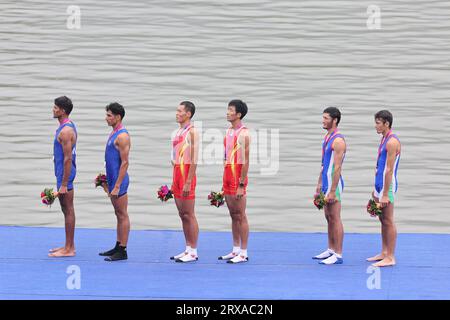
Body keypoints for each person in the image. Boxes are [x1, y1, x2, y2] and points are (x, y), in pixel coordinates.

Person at [218, 100, 251, 264]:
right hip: (228, 175)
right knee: (233, 215)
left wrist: (241, 184)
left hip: (238, 178)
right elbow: (226, 157)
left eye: (230, 110)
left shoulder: (244, 134)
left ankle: (244, 252)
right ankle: (235, 249)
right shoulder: (229, 131)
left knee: (241, 215)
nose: (227, 112)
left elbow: (245, 162)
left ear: (238, 114)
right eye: (228, 109)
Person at [367, 110, 401, 267]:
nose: (375, 126)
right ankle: (384, 252)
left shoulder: (392, 142)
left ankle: (391, 257)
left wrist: (386, 194)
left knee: (388, 220)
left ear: (387, 123)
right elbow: (379, 167)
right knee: (381, 219)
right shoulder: (383, 139)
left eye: (378, 123)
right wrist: (375, 190)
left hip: (388, 186)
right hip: (379, 184)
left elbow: (389, 169)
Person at [313, 107, 346, 265]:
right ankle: (331, 249)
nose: (323, 121)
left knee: (335, 218)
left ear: (335, 120)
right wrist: (319, 184)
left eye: (326, 118)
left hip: (334, 184)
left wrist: (333, 190)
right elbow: (323, 164)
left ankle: (338, 254)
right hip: (326, 182)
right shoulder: (327, 137)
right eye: (323, 118)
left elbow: (337, 167)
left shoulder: (338, 141)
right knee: (328, 217)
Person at [99, 102, 131, 262]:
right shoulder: (113, 133)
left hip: (120, 181)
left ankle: (123, 250)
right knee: (117, 214)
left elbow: (125, 163)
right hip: (112, 179)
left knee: (122, 214)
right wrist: (105, 180)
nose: (106, 118)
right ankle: (118, 245)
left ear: (118, 117)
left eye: (109, 115)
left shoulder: (122, 136)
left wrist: (117, 185)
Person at [169, 101, 200, 263]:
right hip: (177, 175)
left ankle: (193, 250)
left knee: (189, 214)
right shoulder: (178, 132)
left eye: (180, 111)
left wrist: (188, 181)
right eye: (177, 110)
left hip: (187, 176)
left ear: (188, 114)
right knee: (182, 214)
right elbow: (175, 157)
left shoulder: (192, 132)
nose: (177, 113)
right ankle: (187, 248)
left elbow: (194, 159)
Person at [49, 96, 77, 257]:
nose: (53, 109)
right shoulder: (66, 126)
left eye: (55, 107)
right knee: (65, 209)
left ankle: (69, 249)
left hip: (65, 174)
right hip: (62, 173)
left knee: (68, 209)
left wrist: (64, 183)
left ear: (63, 111)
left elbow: (68, 158)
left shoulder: (66, 131)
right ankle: (68, 245)